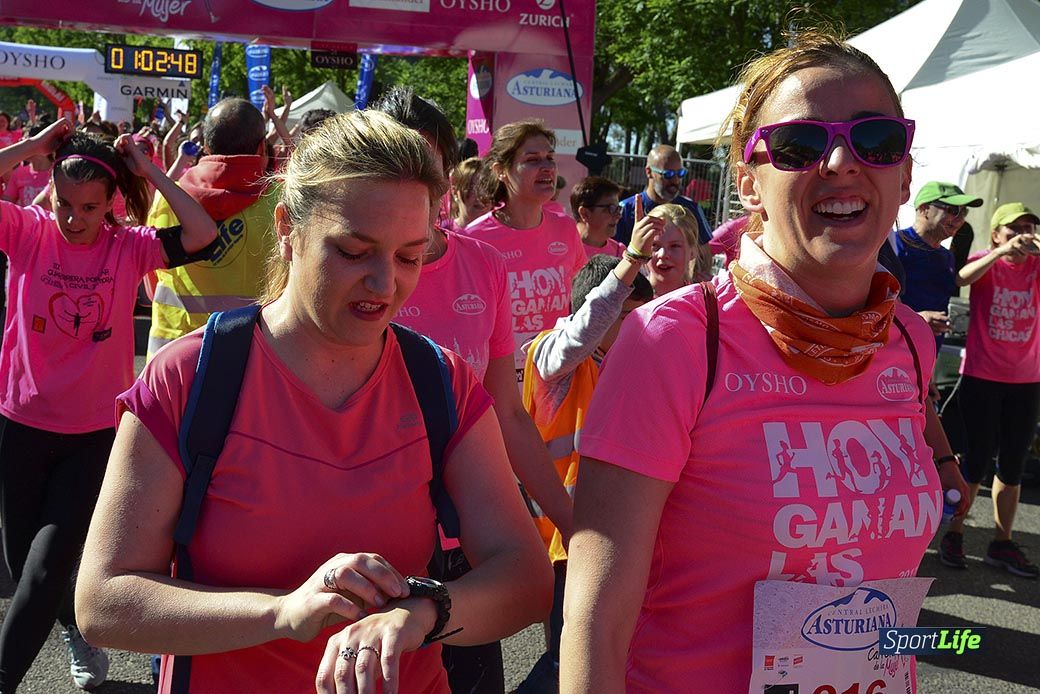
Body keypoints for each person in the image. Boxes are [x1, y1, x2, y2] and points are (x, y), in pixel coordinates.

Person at [74, 109, 552, 694]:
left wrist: (424, 611)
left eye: (409, 256)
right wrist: (284, 613)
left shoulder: (439, 380)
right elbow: (102, 601)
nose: (385, 284)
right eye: (354, 251)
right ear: (287, 227)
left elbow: (526, 578)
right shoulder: (191, 377)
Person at [561, 30, 965, 693]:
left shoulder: (908, 343)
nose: (841, 161)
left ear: (905, 174)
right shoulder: (676, 338)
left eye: (878, 140)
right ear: (747, 184)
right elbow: (594, 622)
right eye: (801, 145)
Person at [0, 119, 217, 692]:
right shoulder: (29, 233)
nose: (74, 219)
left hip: (94, 435)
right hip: (19, 424)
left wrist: (150, 170)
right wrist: (28, 147)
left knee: (46, 569)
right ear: (49, 189)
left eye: (90, 207)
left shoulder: (128, 248)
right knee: (28, 573)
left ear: (110, 204)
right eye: (66, 204)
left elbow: (201, 233)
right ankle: (77, 626)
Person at [375, 87, 571, 694]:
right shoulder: (340, 266)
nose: (408, 190)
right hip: (359, 541)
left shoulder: (482, 263)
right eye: (385, 168)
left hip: (459, 548)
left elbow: (506, 414)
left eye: (423, 168)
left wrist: (578, 526)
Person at [517, 225, 657, 693]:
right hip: (561, 538)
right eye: (630, 316)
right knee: (566, 663)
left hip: (598, 539)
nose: (641, 329)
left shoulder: (626, 365)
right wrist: (629, 263)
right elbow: (584, 330)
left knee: (588, 653)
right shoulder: (552, 357)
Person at [939, 203, 1040, 578]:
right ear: (996, 233)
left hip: (1026, 381)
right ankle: (955, 532)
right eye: (1014, 229)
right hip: (982, 376)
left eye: (1029, 227)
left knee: (1013, 465)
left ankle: (1002, 541)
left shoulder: (1036, 265)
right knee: (976, 460)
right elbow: (962, 279)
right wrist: (999, 253)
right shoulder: (986, 259)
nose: (1022, 235)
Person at [146, 97, 279, 359]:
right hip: (250, 354)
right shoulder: (281, 203)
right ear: (263, 146)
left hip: (172, 355)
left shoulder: (168, 198)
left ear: (205, 146)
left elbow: (151, 281)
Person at [461, 121, 585, 387]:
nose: (547, 167)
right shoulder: (474, 239)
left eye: (550, 158)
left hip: (555, 377)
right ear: (501, 171)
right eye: (532, 159)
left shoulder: (565, 228)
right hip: (499, 383)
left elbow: (581, 300)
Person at [895, 181, 983, 348]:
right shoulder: (893, 244)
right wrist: (916, 319)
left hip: (928, 354)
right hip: (890, 354)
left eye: (964, 212)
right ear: (924, 208)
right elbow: (868, 303)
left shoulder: (947, 257)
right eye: (953, 210)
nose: (959, 219)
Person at [613, 144, 712, 247]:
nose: (675, 180)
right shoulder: (626, 210)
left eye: (680, 173)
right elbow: (613, 253)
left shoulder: (692, 209)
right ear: (649, 172)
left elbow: (704, 255)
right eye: (668, 174)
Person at [644, 202, 706, 295]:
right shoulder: (629, 299)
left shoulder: (701, 301)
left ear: (693, 252)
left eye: (674, 246)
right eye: (655, 245)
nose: (663, 255)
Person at [570, 176, 625, 260]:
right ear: (584, 213)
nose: (618, 215)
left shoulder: (620, 252)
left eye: (618, 209)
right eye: (611, 209)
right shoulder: (562, 248)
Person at [2, 125, 53, 208]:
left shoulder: (58, 173)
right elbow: (6, 203)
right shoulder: (18, 173)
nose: (21, 148)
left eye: (24, 142)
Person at [445, 156, 490, 233]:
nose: (481, 195)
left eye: (487, 188)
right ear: (455, 191)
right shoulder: (443, 232)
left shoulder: (501, 236)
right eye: (472, 187)